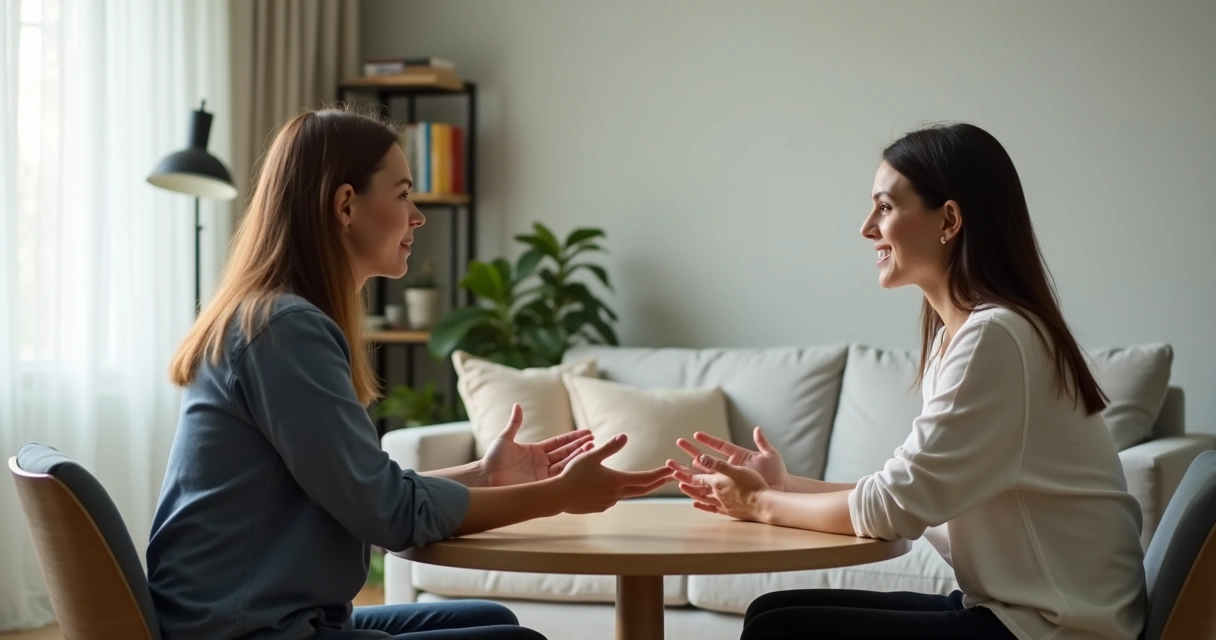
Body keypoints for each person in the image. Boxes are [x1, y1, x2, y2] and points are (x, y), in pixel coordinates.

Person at [146, 106, 673, 640]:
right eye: (401, 194)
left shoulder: (273, 318)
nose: (417, 215)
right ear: (346, 205)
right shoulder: (284, 330)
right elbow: (390, 516)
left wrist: (484, 476)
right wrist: (558, 495)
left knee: (492, 621)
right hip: (247, 633)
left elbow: (365, 492)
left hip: (246, 620)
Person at [668, 123, 1146, 640]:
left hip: (1057, 628)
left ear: (949, 220)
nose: (867, 227)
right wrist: (784, 486)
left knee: (782, 630)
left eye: (885, 207)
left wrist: (760, 504)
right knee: (769, 614)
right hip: (1023, 612)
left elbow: (895, 508)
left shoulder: (996, 337)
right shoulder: (963, 336)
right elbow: (912, 491)